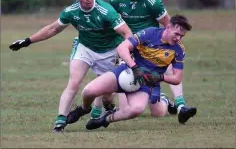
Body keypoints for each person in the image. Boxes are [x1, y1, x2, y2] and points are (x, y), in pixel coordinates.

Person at [9, 0, 133, 132]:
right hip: (85, 48)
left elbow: (126, 33)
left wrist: (127, 54)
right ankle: (60, 121)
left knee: (107, 94)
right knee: (74, 82)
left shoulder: (106, 10)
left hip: (109, 51)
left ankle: (107, 106)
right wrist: (28, 41)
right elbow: (53, 29)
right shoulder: (71, 11)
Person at [66, 14, 197, 130]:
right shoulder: (150, 33)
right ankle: (84, 108)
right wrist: (135, 68)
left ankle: (105, 120)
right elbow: (122, 48)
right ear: (168, 27)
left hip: (145, 83)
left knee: (137, 109)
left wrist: (160, 77)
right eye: (177, 34)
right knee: (88, 91)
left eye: (182, 36)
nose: (178, 38)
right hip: (127, 71)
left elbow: (177, 79)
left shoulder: (179, 50)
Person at [108, 0, 197, 123]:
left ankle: (180, 105)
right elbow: (111, 22)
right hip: (129, 44)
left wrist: (171, 48)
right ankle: (103, 108)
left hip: (148, 44)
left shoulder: (153, 1)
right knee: (125, 108)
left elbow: (169, 25)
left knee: (159, 110)